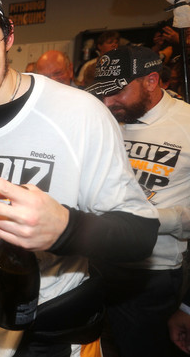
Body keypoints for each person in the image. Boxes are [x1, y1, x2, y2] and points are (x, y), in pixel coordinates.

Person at [0, 0, 158, 357]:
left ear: (8, 36)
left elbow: (141, 233)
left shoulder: (79, 114)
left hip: (45, 332)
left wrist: (65, 227)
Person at [86, 45, 190, 357]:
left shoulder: (185, 125)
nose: (107, 102)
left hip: (151, 274)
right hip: (95, 262)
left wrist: (150, 219)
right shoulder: (106, 119)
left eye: (117, 92)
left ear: (151, 81)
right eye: (103, 93)